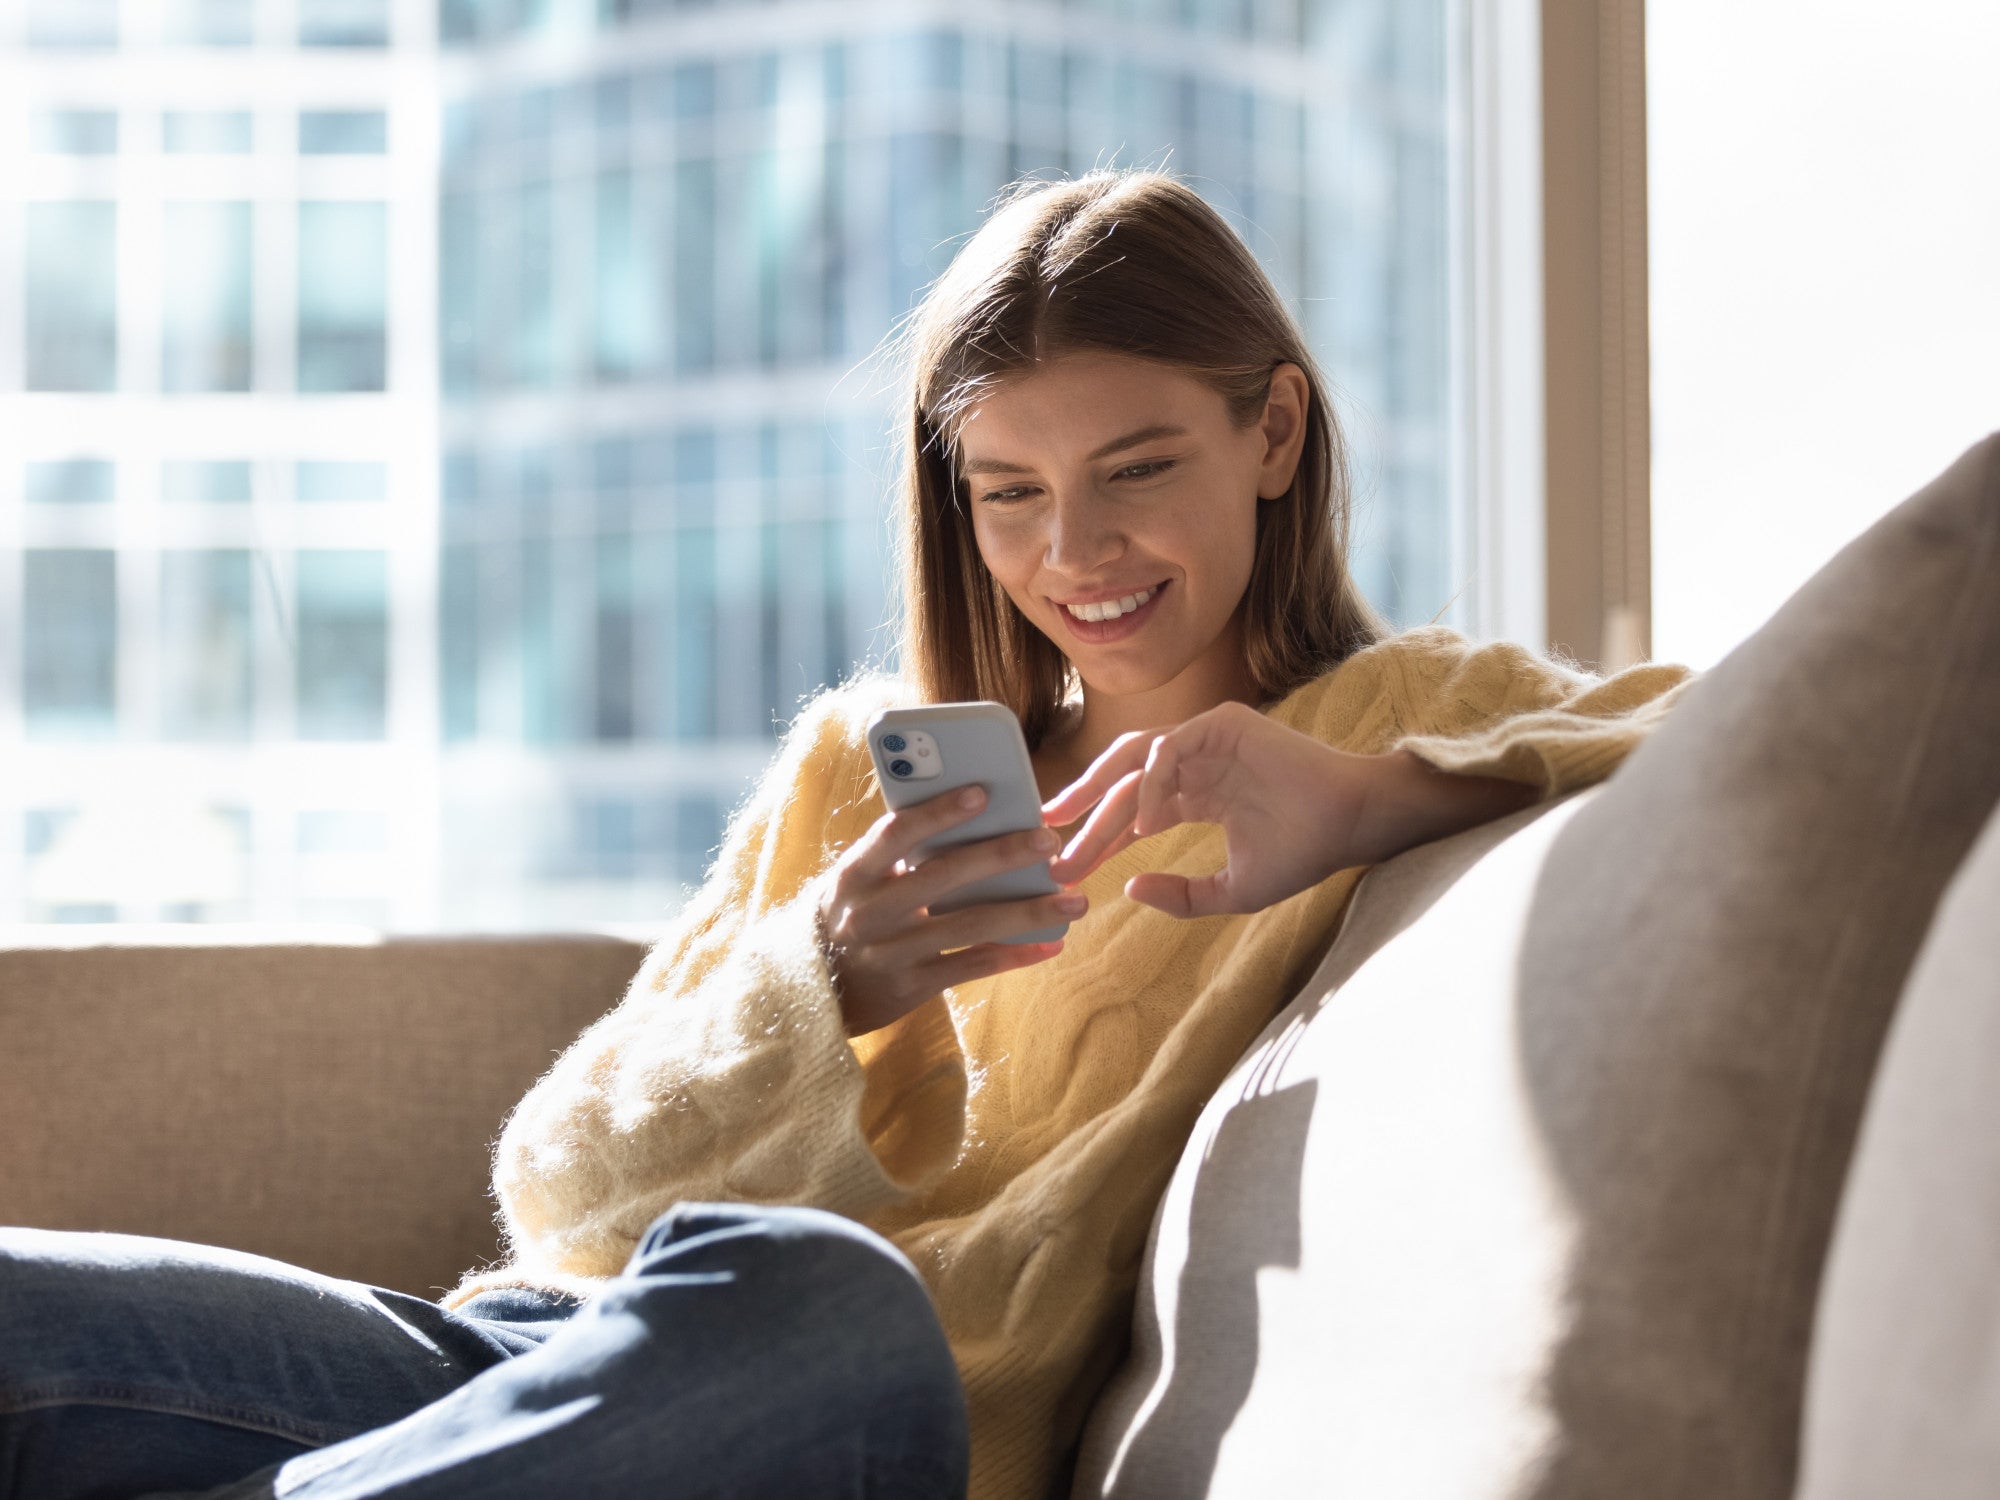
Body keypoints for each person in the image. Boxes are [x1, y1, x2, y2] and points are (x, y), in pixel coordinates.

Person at [0, 170, 1691, 1499]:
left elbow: (1735, 721)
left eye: (1137, 466)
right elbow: (557, 1190)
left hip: (832, 1416)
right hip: (527, 1379)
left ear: (1274, 432)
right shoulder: (851, 771)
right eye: (1009, 490)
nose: (1074, 550)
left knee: (824, 1307)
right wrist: (816, 976)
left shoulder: (1402, 713)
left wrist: (1373, 798)